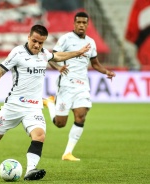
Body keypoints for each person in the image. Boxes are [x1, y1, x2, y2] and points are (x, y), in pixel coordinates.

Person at [0, 25, 90, 180]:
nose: (37, 45)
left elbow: (58, 57)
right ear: (28, 37)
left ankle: (31, 170)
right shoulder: (17, 53)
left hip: (33, 107)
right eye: (35, 41)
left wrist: (78, 53)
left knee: (39, 136)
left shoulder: (44, 54)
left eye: (41, 43)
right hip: (14, 105)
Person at [43, 11, 116, 161]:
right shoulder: (65, 39)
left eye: (84, 23)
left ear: (88, 25)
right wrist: (58, 68)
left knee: (81, 116)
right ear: (74, 24)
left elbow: (95, 64)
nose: (81, 25)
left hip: (82, 86)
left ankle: (67, 153)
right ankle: (50, 103)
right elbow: (51, 57)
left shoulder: (91, 42)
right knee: (60, 124)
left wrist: (106, 71)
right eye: (79, 22)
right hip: (66, 85)